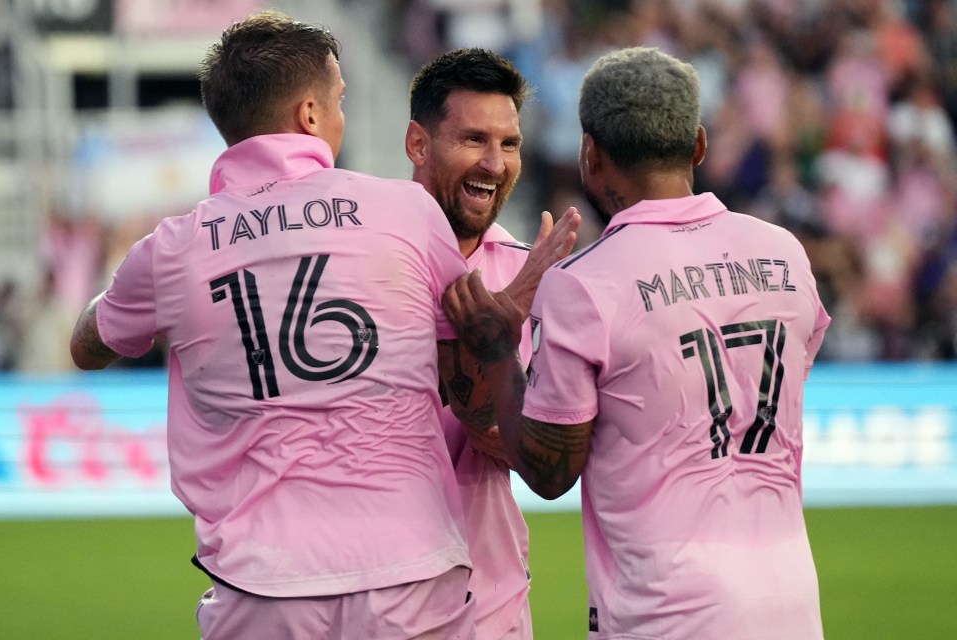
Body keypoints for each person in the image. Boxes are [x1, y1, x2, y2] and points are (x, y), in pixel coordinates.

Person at [69, 11, 477, 640]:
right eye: (339, 100)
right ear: (310, 115)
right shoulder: (405, 209)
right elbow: (467, 339)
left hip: (264, 587)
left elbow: (88, 345)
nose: (343, 117)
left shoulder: (171, 249)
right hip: (411, 570)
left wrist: (118, 296)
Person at [443, 46, 831, 639]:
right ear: (698, 145)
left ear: (589, 154)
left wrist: (498, 353)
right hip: (792, 601)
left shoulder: (586, 284)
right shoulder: (784, 253)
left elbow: (549, 472)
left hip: (664, 610)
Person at [405, 48, 580, 639]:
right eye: (474, 139)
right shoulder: (363, 259)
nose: (494, 162)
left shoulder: (533, 274)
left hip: (488, 603)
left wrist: (507, 323)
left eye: (509, 143)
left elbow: (532, 454)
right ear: (418, 144)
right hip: (364, 596)